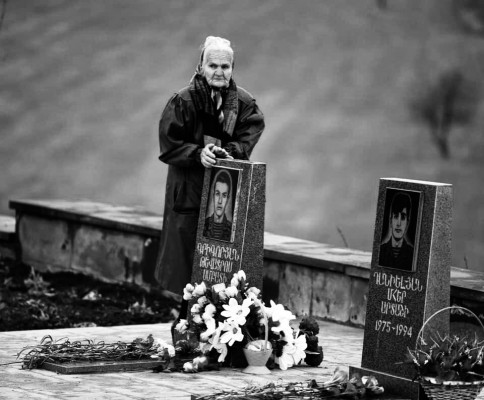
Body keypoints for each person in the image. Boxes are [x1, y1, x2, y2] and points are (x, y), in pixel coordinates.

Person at [154, 36, 264, 302]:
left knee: (221, 267)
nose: (219, 72)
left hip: (225, 192)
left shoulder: (244, 103)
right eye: (212, 65)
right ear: (201, 66)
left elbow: (249, 134)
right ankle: (186, 327)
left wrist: (229, 153)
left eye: (225, 67)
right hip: (189, 192)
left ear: (232, 69)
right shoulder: (183, 101)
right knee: (187, 268)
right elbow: (169, 146)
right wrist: (197, 154)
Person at [379, 191, 415, 271]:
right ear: (390, 220)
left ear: (407, 222)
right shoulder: (381, 251)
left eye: (402, 218)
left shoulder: (413, 254)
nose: (398, 223)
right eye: (395, 216)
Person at [203, 169, 233, 241]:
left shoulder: (231, 229)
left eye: (224, 195)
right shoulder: (204, 225)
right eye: (217, 194)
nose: (220, 201)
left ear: (228, 199)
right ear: (213, 196)